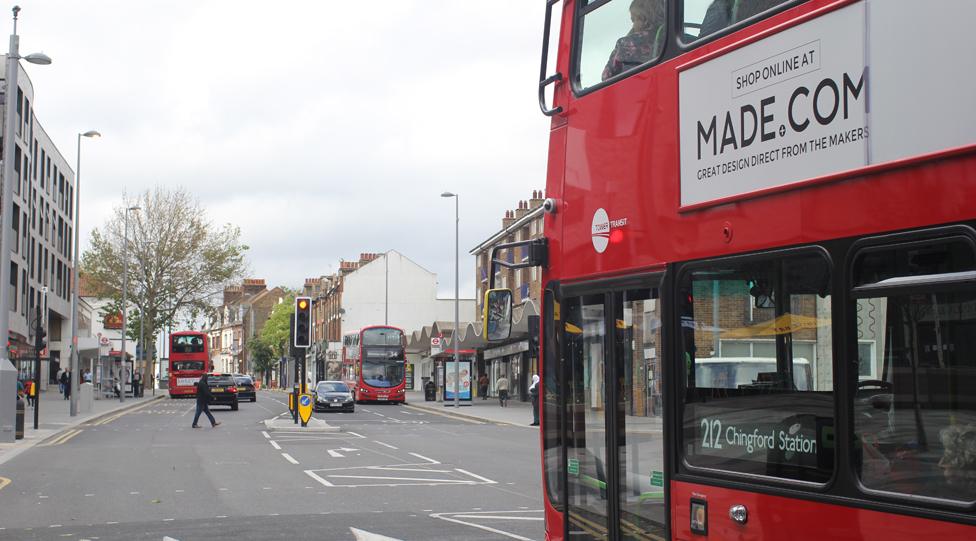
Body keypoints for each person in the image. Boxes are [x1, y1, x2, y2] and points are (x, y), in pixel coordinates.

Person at [602, 0, 666, 81]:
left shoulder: (626, 43)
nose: (633, 25)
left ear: (644, 20)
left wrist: (628, 36)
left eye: (633, 20)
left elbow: (606, 76)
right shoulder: (673, 35)